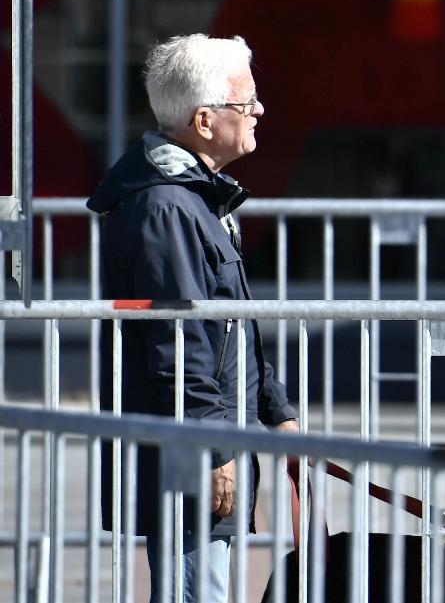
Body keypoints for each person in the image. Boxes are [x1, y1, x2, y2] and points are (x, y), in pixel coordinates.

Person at [87, 34, 299, 602]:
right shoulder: (167, 207)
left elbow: (226, 326)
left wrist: (273, 406)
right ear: (204, 121)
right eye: (246, 101)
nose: (259, 110)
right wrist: (212, 448)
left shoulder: (193, 198)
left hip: (205, 434)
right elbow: (177, 341)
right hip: (190, 449)